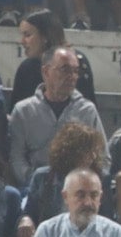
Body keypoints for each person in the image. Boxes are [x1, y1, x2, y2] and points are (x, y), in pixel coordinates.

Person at [8, 49, 104, 189]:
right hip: (34, 187)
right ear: (46, 72)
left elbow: (103, 156)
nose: (72, 77)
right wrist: (35, 182)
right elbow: (16, 158)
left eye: (76, 71)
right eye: (65, 70)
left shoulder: (87, 111)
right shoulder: (23, 111)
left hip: (78, 188)